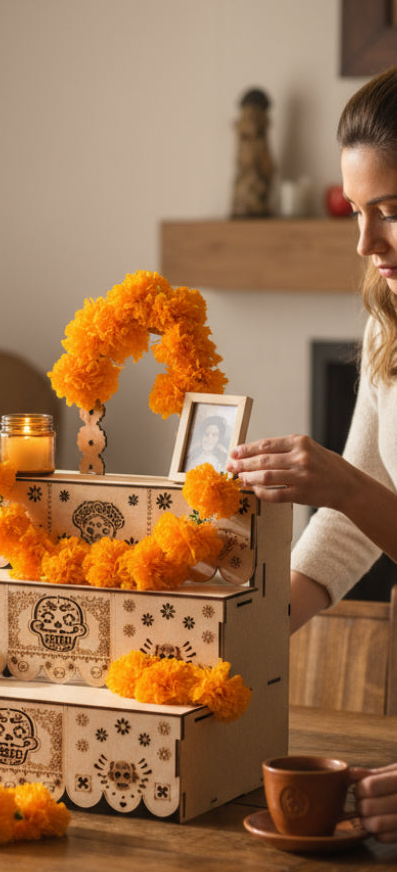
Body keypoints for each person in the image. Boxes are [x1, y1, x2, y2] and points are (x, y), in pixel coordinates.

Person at [225, 64, 397, 844]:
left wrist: (337, 481)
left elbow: (358, 492)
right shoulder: (386, 320)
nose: (367, 242)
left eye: (392, 211)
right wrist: (244, 636)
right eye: (359, 211)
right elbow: (361, 513)